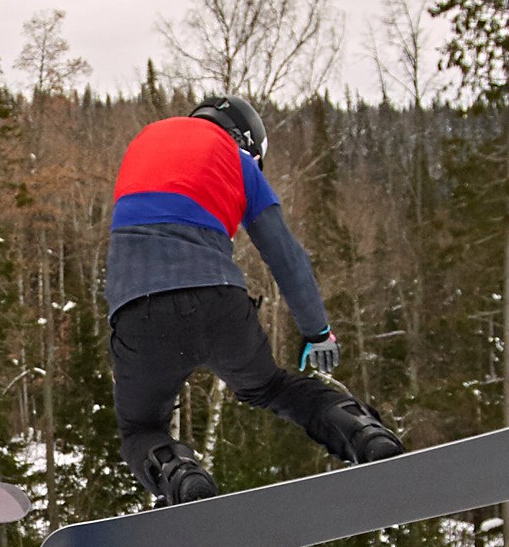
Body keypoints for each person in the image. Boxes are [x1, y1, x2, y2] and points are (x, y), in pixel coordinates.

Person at [106, 95, 402, 504]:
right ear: (245, 139)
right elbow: (286, 255)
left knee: (141, 428)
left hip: (137, 309)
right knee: (273, 388)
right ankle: (362, 432)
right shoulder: (235, 157)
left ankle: (178, 474)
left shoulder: (145, 141)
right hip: (219, 300)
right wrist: (317, 332)